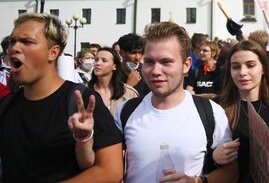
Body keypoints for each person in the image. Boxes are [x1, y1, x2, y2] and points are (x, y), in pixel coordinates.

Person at [0, 13, 123, 182]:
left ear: (53, 52)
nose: (14, 48)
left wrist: (84, 140)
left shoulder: (82, 100)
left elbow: (111, 170)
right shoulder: (6, 105)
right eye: (12, 41)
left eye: (27, 42)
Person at [114, 21, 238, 183]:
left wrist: (198, 182)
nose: (156, 71)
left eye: (166, 62)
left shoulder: (211, 113)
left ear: (186, 65)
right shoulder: (125, 111)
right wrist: (85, 138)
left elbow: (231, 173)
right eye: (149, 62)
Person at [214, 40, 269, 182]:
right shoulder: (217, 108)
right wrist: (214, 156)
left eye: (250, 65)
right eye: (236, 67)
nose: (242, 73)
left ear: (263, 68)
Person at [89, 47, 139, 115]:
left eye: (104, 60)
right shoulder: (84, 90)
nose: (98, 63)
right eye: (96, 60)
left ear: (114, 66)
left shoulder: (129, 93)